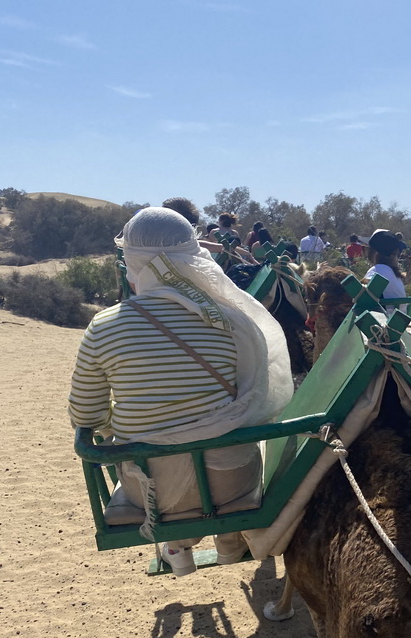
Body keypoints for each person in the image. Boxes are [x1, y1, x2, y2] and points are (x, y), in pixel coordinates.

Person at [68, 207, 293, 576]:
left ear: (132, 264)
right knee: (244, 440)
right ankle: (229, 540)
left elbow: (86, 417)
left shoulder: (103, 326)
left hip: (150, 489)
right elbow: (250, 393)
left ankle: (177, 546)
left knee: (153, 459)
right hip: (232, 480)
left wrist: (126, 419)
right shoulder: (228, 319)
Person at [362, 229, 407, 301]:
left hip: (385, 312)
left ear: (375, 252)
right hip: (398, 311)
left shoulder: (378, 270)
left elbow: (363, 296)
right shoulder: (395, 273)